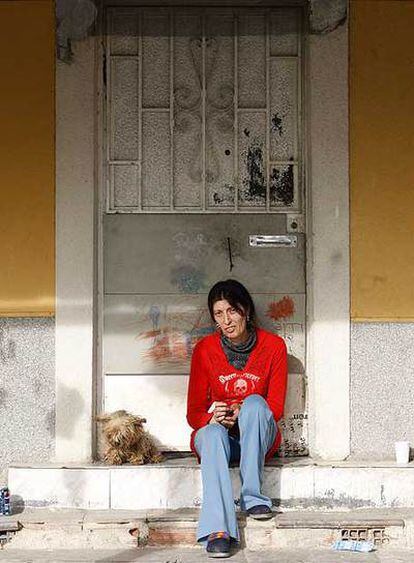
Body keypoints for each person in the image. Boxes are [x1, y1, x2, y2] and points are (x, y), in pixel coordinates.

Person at [186, 279, 288, 558]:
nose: (226, 320)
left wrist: (243, 412)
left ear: (246, 310)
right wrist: (212, 417)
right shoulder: (204, 350)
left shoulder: (274, 346)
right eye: (218, 314)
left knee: (255, 404)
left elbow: (275, 408)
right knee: (210, 432)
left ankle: (253, 496)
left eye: (232, 311)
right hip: (221, 441)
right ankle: (218, 529)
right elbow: (193, 414)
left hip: (256, 437)